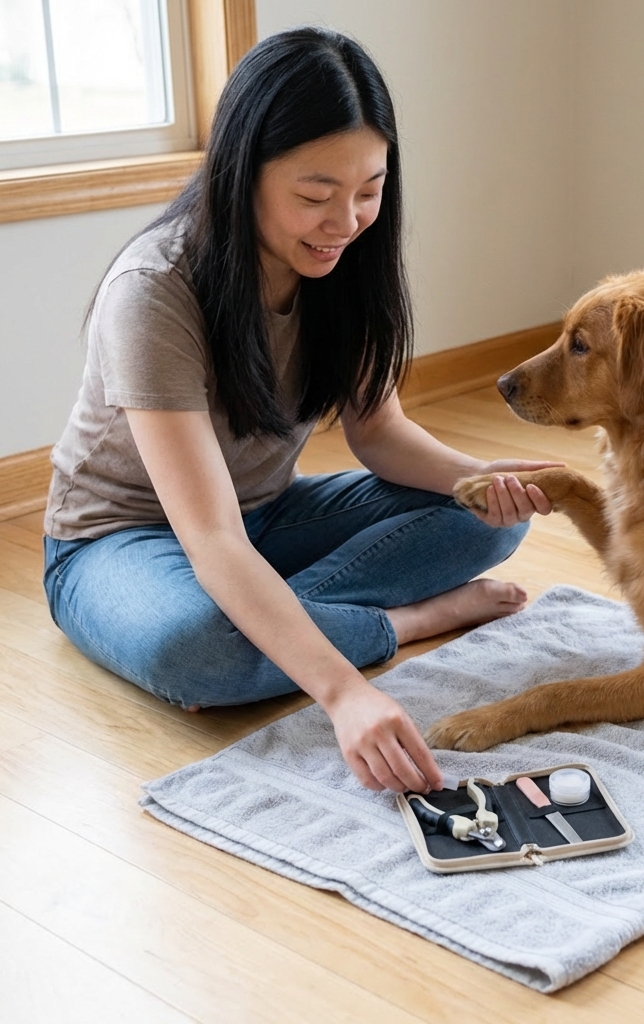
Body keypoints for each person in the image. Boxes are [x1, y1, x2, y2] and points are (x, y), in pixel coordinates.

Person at [42, 27, 556, 795]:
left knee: (489, 512)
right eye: (315, 195)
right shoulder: (153, 291)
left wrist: (483, 477)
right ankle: (402, 620)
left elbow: (378, 432)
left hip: (264, 518)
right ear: (242, 171)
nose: (345, 221)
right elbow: (209, 535)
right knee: (199, 647)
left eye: (369, 191)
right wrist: (345, 691)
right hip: (119, 543)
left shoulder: (344, 262)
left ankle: (275, 620)